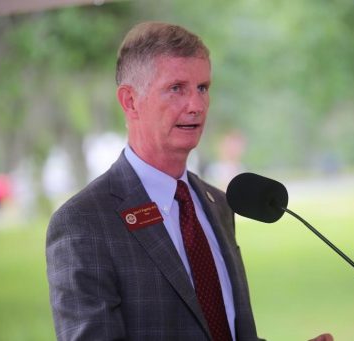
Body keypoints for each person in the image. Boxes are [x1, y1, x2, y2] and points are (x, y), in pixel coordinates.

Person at [46, 21, 333, 341]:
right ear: (130, 101)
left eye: (203, 88)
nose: (196, 105)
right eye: (176, 88)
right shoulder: (83, 222)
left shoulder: (220, 204)